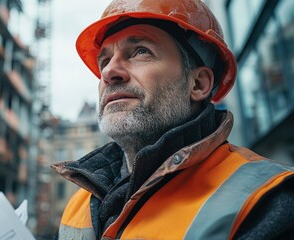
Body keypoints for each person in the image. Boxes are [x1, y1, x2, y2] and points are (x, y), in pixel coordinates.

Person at [51, 0, 294, 239]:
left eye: (140, 51)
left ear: (198, 84)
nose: (108, 72)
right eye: (104, 61)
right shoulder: (78, 204)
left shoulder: (265, 200)